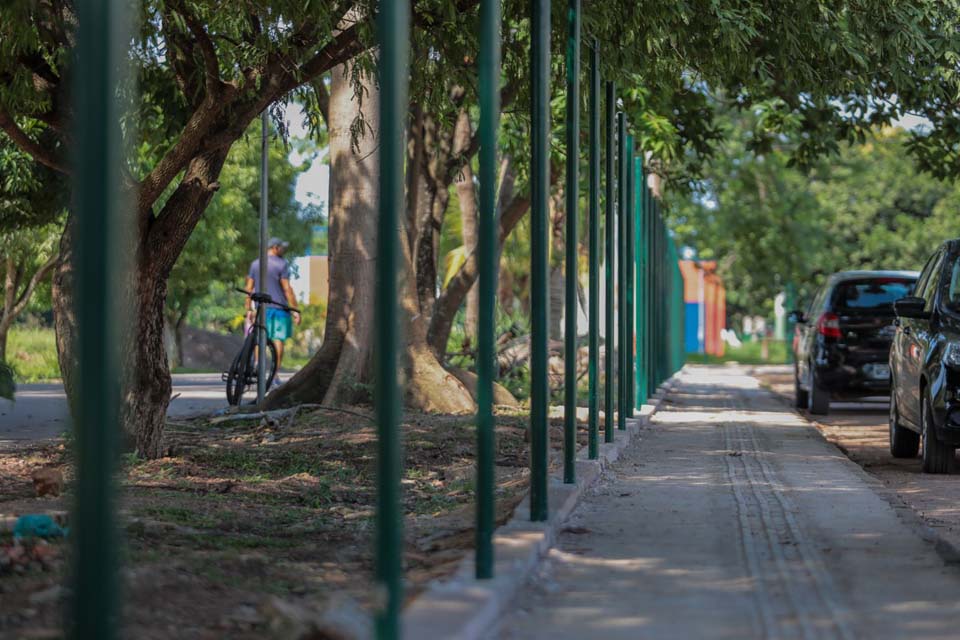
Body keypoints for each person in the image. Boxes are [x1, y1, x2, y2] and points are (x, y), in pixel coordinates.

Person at [245, 237, 301, 387]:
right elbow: (287, 289)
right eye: (282, 247)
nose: (284, 250)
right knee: (278, 339)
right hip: (279, 308)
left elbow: (249, 289)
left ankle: (259, 367)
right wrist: (295, 309)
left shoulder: (255, 264)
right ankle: (274, 374)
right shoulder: (281, 264)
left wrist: (249, 309)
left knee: (259, 339)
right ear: (275, 247)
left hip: (261, 308)